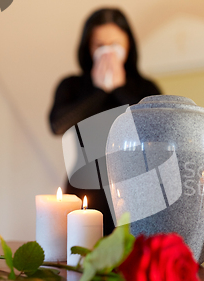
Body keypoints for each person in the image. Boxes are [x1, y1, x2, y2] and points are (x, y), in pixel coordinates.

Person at [49, 8, 160, 235]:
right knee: (79, 260)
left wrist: (119, 88)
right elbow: (57, 125)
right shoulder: (72, 85)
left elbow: (155, 129)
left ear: (129, 46)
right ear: (88, 47)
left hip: (133, 193)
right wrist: (100, 90)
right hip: (83, 190)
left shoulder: (145, 88)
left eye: (115, 44)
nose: (107, 52)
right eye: (100, 45)